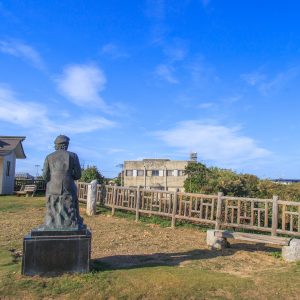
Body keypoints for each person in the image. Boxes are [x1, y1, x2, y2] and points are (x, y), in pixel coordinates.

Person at [43, 135, 83, 228]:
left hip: (52, 186)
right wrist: (69, 177)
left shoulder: (49, 157)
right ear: (66, 145)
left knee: (53, 205)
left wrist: (52, 179)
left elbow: (45, 175)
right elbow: (78, 175)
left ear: (57, 145)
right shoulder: (73, 156)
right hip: (68, 185)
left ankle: (51, 222)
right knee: (70, 204)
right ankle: (71, 223)